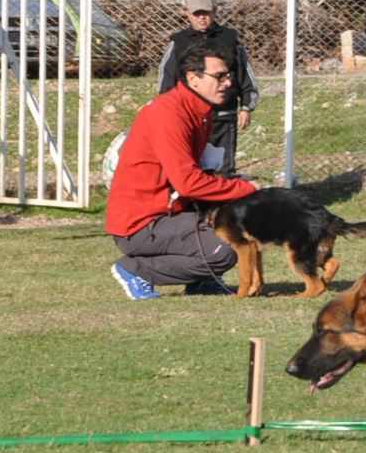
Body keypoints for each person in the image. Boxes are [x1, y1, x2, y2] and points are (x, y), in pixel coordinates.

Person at [106, 46, 258, 300]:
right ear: (192, 78)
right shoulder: (168, 114)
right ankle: (135, 270)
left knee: (232, 224)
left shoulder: (199, 111)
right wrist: (246, 189)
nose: (228, 82)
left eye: (228, 75)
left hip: (168, 213)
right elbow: (187, 183)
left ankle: (202, 281)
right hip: (141, 223)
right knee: (227, 247)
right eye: (219, 76)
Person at [157, 0, 258, 177]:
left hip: (223, 115)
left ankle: (225, 202)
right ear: (187, 14)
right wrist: (168, 110)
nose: (202, 17)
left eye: (206, 13)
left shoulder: (230, 39)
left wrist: (246, 106)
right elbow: (167, 78)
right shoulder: (178, 42)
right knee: (191, 166)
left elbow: (244, 73)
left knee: (223, 169)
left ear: (215, 12)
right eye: (197, 13)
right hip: (190, 117)